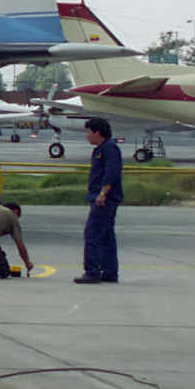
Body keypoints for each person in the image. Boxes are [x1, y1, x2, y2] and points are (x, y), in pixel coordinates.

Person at [76, 117, 123, 284]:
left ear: (98, 132)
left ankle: (92, 272)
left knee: (92, 234)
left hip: (104, 199)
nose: (87, 135)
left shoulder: (109, 149)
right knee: (106, 235)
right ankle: (110, 271)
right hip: (101, 197)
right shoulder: (101, 148)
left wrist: (103, 193)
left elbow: (111, 173)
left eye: (89, 131)